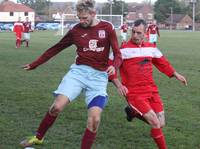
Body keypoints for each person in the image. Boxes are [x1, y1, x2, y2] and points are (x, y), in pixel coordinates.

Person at [19, 0, 122, 148]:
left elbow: (118, 54)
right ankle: (38, 137)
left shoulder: (107, 27)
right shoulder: (75, 30)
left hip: (99, 77)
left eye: (85, 18)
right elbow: (56, 48)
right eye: (79, 18)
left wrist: (115, 66)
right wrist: (35, 64)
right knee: (56, 107)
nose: (82, 21)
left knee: (94, 120)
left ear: (93, 14)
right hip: (78, 73)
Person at [109, 19, 187, 149]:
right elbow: (110, 68)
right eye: (133, 32)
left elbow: (162, 62)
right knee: (155, 123)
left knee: (161, 124)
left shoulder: (151, 48)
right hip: (134, 92)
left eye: (139, 33)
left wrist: (175, 74)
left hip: (151, 90)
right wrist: (119, 85)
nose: (134, 35)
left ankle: (133, 113)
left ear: (146, 33)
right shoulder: (122, 50)